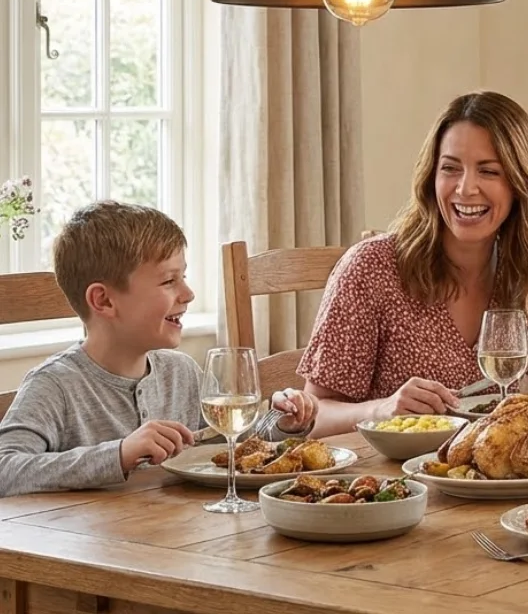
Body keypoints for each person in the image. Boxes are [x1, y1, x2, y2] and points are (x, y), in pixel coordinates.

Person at [300, 91, 528, 435]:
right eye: (450, 168)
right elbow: (314, 416)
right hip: (395, 481)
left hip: (493, 478)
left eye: (489, 171)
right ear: (431, 176)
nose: (465, 188)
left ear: (520, 184)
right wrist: (382, 409)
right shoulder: (371, 268)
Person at [0, 202, 319, 498]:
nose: (189, 293)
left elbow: (233, 443)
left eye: (184, 277)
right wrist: (118, 454)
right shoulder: (55, 385)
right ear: (104, 301)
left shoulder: (180, 372)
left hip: (178, 538)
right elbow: (5, 469)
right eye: (169, 281)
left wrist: (280, 425)